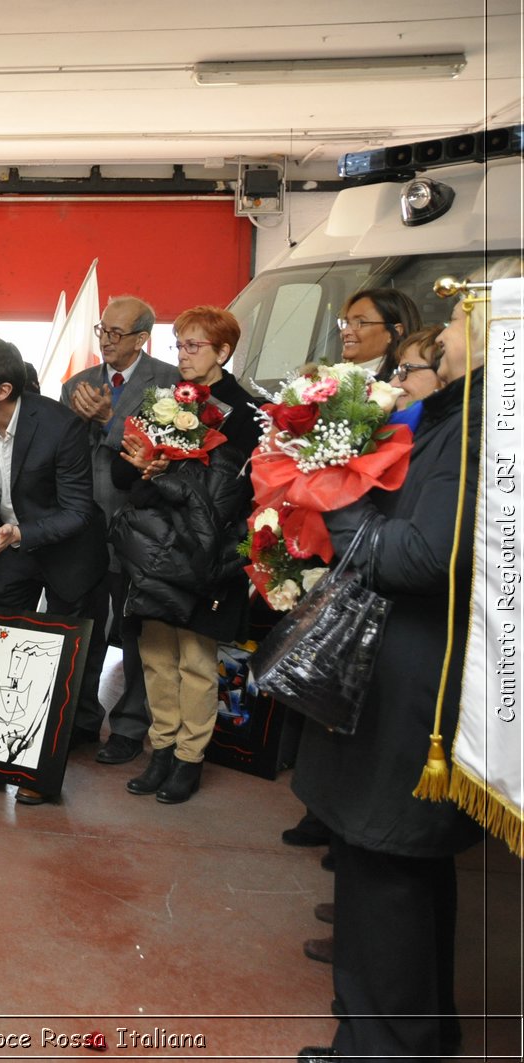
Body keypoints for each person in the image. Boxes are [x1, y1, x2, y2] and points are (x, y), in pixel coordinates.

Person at [292, 259, 520, 1063]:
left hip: (417, 674)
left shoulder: (484, 422)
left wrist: (339, 502)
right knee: (403, 863)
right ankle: (415, 1032)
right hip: (426, 666)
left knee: (385, 860)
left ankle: (380, 1048)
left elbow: (426, 555)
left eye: (463, 317)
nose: (447, 327)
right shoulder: (464, 413)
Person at [0, 336, 107, 804]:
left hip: (67, 548)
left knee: (60, 654)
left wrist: (20, 534)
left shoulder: (61, 425)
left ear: (2, 390)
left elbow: (78, 510)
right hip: (9, 544)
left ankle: (41, 769)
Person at [109, 306, 259, 804]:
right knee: (155, 655)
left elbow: (234, 495)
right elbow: (122, 476)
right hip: (154, 549)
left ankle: (189, 759)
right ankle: (162, 748)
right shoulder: (164, 401)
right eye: (179, 345)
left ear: (223, 351)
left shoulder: (246, 412)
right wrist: (144, 469)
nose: (183, 355)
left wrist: (165, 476)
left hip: (206, 553)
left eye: (194, 346)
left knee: (196, 660)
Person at [59, 295, 180, 765]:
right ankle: (81, 720)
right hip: (83, 528)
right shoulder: (77, 384)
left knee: (134, 636)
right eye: (102, 330)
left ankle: (130, 727)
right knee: (84, 628)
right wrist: (76, 418)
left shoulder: (169, 383)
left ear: (142, 338)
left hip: (141, 527)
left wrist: (110, 420)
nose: (106, 340)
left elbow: (164, 452)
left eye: (117, 333)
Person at [337, 286, 421, 381]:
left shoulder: (402, 385)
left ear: (395, 332)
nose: (345, 332)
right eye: (346, 322)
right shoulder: (331, 379)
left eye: (360, 322)